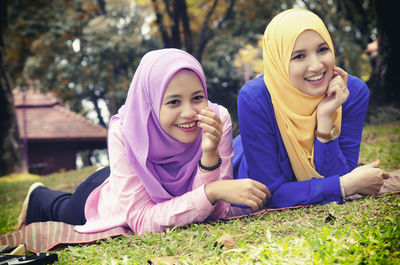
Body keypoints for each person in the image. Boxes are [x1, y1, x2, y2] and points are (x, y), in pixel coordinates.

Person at [17, 48, 270, 235]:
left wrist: (209, 155)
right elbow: (142, 220)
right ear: (151, 103)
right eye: (173, 102)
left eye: (197, 97)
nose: (189, 112)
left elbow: (217, 213)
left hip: (148, 185)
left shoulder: (216, 119)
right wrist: (211, 191)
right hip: (112, 194)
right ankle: (37, 196)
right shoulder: (125, 132)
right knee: (63, 210)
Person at [233, 9, 392, 208]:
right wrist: (345, 185)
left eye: (322, 49)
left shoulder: (351, 92)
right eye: (299, 56)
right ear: (279, 61)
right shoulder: (255, 98)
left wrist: (325, 118)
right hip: (245, 170)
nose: (316, 66)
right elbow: (269, 193)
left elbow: (337, 173)